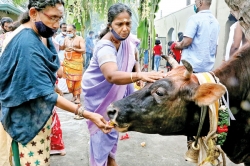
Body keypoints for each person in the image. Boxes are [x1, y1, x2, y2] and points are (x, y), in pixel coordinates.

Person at [0, 1, 112, 166]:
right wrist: (86, 113)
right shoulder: (26, 43)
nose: (57, 25)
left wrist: (53, 86)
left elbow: (37, 78)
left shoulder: (39, 35)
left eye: (59, 19)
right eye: (52, 18)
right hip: (24, 122)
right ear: (33, 13)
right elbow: (44, 93)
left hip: (36, 118)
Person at [81, 3, 165, 166]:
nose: (125, 28)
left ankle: (111, 160)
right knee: (101, 133)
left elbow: (133, 56)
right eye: (119, 24)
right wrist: (140, 75)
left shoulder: (127, 40)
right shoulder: (105, 47)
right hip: (99, 96)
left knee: (113, 130)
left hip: (117, 94)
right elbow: (111, 75)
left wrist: (138, 71)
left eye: (128, 24)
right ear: (110, 25)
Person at [174, 0, 220, 73]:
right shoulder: (216, 22)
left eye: (195, 1)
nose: (195, 3)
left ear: (200, 2)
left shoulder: (195, 18)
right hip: (208, 69)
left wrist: (178, 45)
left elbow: (187, 41)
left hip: (191, 69)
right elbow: (215, 47)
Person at [62, 24, 85, 105]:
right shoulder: (65, 38)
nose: (68, 32)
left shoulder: (80, 38)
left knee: (77, 80)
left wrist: (74, 49)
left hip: (77, 63)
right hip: (68, 62)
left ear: (74, 31)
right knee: (69, 81)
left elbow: (83, 50)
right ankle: (73, 95)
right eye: (67, 31)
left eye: (69, 31)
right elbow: (62, 47)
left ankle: (78, 97)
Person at [55, 23, 69, 94]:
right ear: (60, 28)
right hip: (60, 58)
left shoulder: (69, 36)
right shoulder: (57, 37)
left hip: (68, 58)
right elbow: (56, 48)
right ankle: (61, 89)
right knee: (61, 74)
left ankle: (67, 89)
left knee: (67, 74)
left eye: (66, 27)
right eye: (63, 27)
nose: (65, 29)